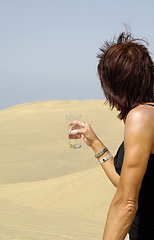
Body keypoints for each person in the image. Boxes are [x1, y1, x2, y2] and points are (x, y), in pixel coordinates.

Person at [69, 32, 154, 240]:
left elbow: (126, 202)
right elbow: (127, 184)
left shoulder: (141, 117)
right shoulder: (149, 114)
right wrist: (95, 143)